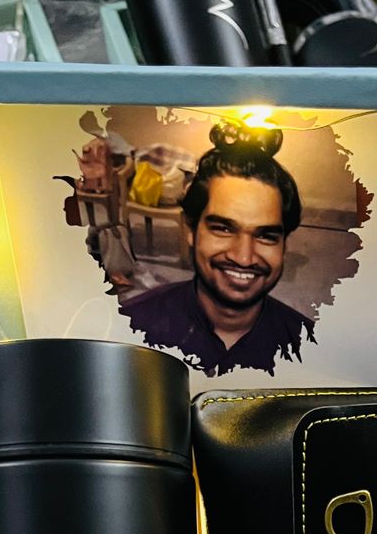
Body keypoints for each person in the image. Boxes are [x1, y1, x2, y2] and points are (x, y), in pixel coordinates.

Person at [121, 125, 315, 377]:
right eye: (223, 229)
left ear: (284, 245)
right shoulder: (130, 330)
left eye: (266, 236)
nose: (244, 257)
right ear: (190, 230)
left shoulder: (309, 347)